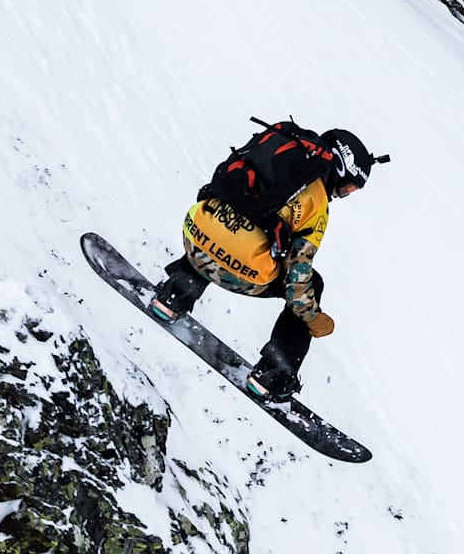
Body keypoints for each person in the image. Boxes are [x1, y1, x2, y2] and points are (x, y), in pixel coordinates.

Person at [149, 127, 378, 400]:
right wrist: (312, 318)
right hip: (240, 271)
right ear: (341, 167)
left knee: (228, 233)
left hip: (195, 234)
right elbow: (298, 278)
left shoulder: (271, 155)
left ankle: (174, 295)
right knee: (311, 283)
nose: (343, 194)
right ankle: (274, 373)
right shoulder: (316, 200)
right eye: (348, 187)